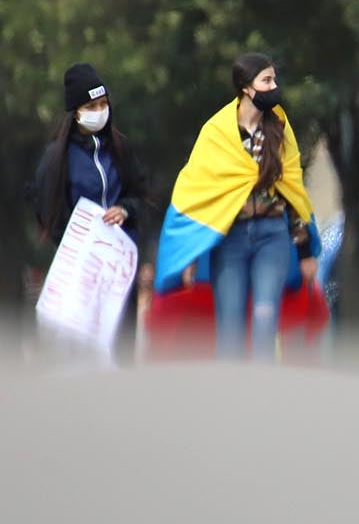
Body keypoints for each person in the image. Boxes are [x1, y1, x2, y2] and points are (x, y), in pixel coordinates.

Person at [154, 53, 320, 360]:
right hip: (230, 239)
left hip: (273, 237)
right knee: (230, 329)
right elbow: (198, 195)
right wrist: (190, 254)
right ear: (246, 87)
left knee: (264, 319)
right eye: (266, 80)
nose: (275, 87)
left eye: (274, 79)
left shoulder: (280, 129)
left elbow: (293, 193)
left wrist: (306, 252)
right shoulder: (217, 133)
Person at [28, 63, 152, 361]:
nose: (99, 110)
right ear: (76, 111)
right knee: (82, 351)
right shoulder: (56, 158)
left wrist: (125, 209)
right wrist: (77, 242)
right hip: (79, 271)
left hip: (119, 266)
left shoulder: (120, 148)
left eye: (103, 104)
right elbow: (47, 212)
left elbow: (141, 194)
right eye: (91, 105)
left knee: (120, 346)